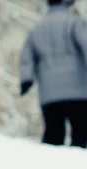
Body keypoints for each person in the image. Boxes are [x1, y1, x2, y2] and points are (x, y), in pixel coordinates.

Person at [19, 0, 87, 148]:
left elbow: (26, 57)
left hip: (49, 93)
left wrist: (26, 79)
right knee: (81, 133)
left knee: (53, 133)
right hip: (78, 91)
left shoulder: (38, 28)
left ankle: (50, 167)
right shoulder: (75, 23)